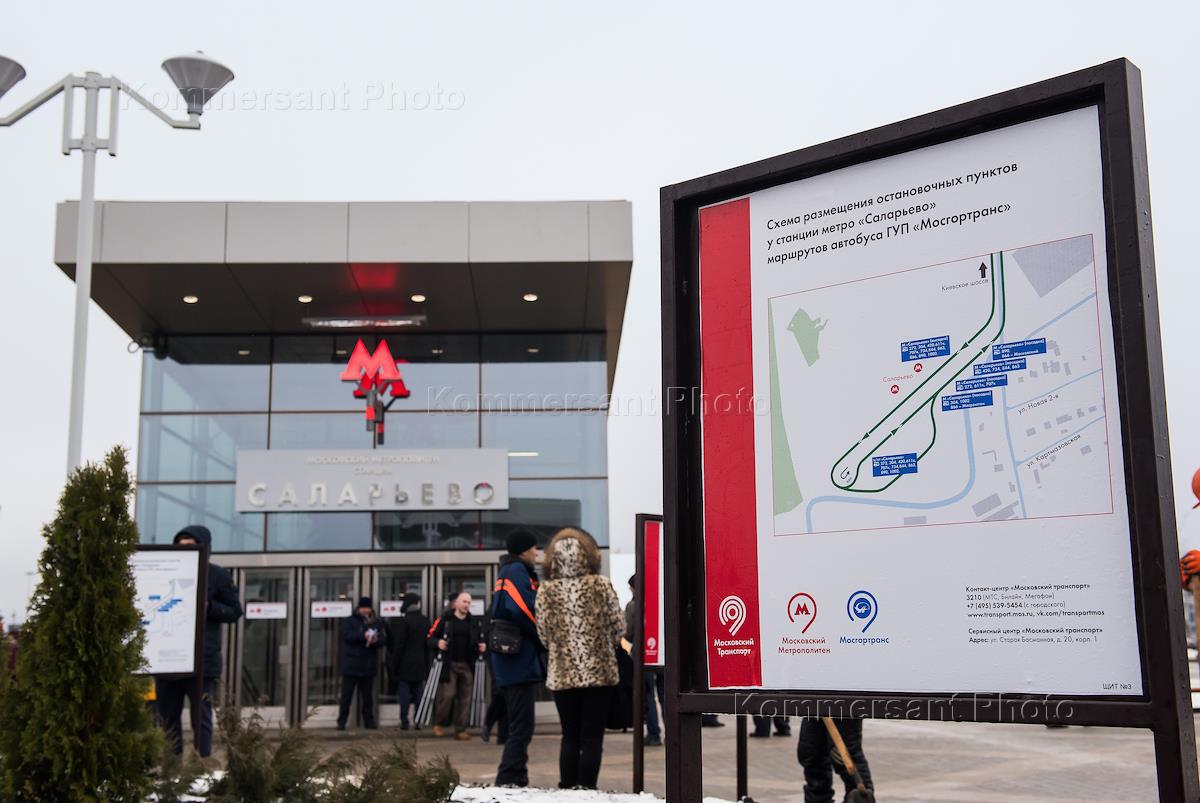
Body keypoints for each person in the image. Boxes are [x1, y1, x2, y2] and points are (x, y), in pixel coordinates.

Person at [536, 527, 624, 790]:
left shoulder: (546, 590)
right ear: (589, 555)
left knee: (569, 736)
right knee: (592, 738)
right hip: (599, 673)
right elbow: (618, 628)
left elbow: (543, 635)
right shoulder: (601, 585)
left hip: (562, 674)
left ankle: (567, 788)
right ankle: (587, 789)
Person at [155, 525, 242, 757]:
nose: (185, 552)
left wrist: (209, 607)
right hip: (168, 661)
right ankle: (171, 767)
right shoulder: (166, 573)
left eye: (191, 547)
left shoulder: (217, 576)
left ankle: (202, 766)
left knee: (201, 719)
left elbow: (235, 611)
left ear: (204, 549)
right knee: (167, 720)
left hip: (202, 662)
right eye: (180, 547)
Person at [490, 529, 544, 787]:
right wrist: (541, 636)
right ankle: (508, 776)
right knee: (522, 726)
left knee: (519, 725)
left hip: (510, 660)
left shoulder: (507, 570)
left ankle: (517, 774)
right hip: (517, 661)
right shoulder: (517, 570)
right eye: (534, 548)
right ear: (524, 550)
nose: (537, 553)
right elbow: (521, 608)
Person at [427, 590, 486, 739]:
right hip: (449, 664)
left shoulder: (473, 622)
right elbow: (429, 638)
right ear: (457, 603)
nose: (467, 605)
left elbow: (479, 640)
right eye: (464, 602)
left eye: (469, 602)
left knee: (466, 697)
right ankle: (439, 723)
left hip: (467, 664)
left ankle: (461, 729)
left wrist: (481, 646)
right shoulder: (445, 620)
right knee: (448, 695)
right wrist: (437, 642)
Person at [624, 574, 664, 746]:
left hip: (642, 655)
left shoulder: (633, 606)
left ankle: (654, 734)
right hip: (661, 654)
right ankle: (672, 733)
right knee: (665, 695)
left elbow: (628, 633)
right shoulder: (659, 603)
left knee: (648, 696)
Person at [337, 596, 387, 731]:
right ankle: (342, 721)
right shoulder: (349, 621)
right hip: (351, 665)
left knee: (367, 697)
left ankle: (369, 721)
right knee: (346, 696)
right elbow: (347, 636)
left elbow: (383, 639)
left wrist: (376, 640)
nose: (366, 610)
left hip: (368, 665)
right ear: (358, 608)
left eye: (368, 608)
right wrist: (363, 635)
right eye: (363, 608)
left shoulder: (376, 622)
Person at [797, 717, 873, 803]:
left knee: (846, 755)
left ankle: (862, 798)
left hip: (843, 712)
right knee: (811, 753)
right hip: (815, 710)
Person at [388, 592, 431, 731]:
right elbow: (428, 644)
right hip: (420, 661)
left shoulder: (405, 621)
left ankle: (404, 720)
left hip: (405, 662)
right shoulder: (425, 620)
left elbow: (399, 645)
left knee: (404, 693)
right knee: (419, 692)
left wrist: (394, 663)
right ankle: (418, 720)